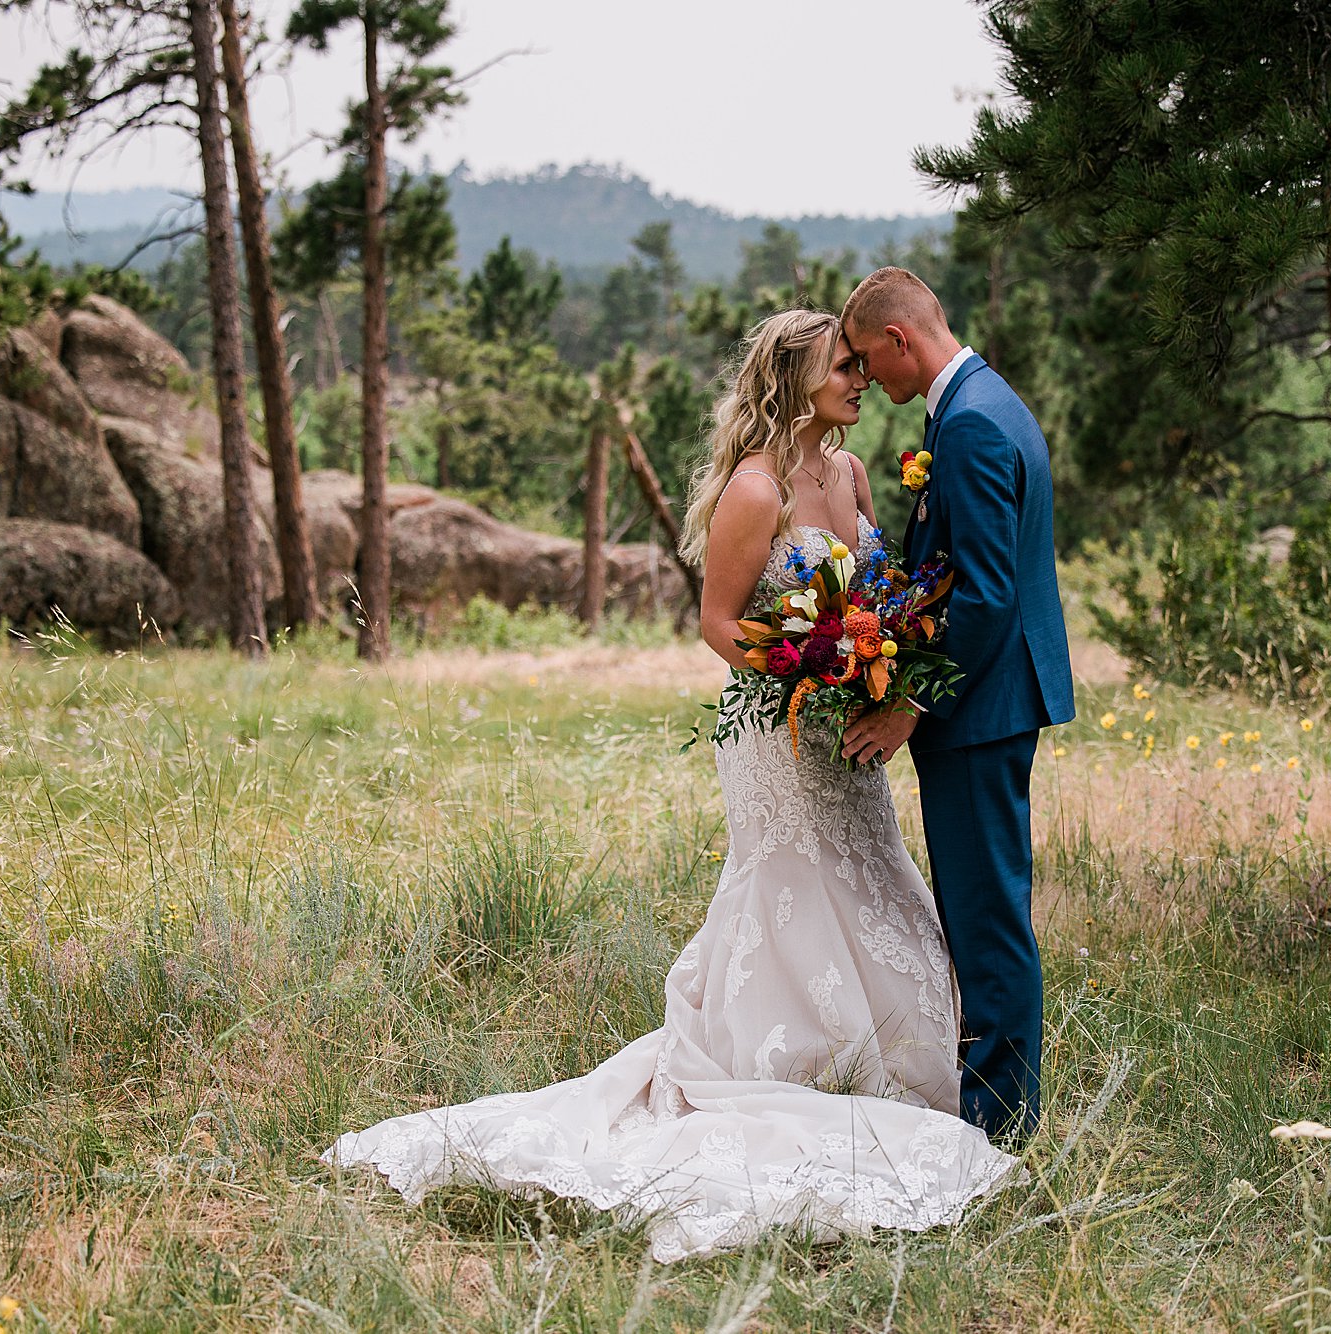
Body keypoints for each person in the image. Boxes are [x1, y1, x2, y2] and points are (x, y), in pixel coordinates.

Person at [324, 309, 1017, 1263]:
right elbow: (718, 621)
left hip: (844, 737)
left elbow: (877, 594)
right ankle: (792, 1060)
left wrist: (870, 665)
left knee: (875, 880)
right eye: (844, 366)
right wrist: (800, 678)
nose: (861, 379)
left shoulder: (852, 473)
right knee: (791, 891)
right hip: (777, 739)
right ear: (795, 376)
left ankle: (897, 1065)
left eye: (864, 362)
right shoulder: (755, 487)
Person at [839, 267, 1075, 1146]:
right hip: (993, 702)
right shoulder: (980, 401)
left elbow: (982, 599)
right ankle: (996, 1103)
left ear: (900, 338)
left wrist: (908, 708)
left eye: (869, 359)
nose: (869, 381)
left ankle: (1000, 1124)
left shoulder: (970, 423)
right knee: (983, 905)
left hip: (981, 710)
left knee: (985, 914)